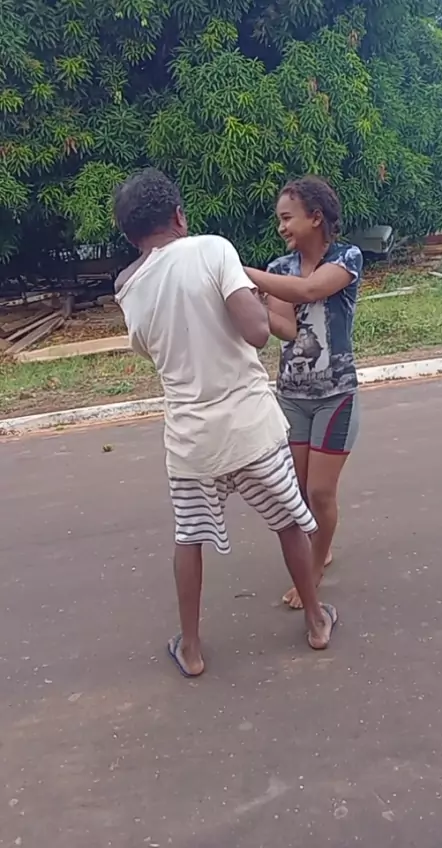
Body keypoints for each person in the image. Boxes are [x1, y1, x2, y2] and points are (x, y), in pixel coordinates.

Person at [112, 168, 338, 678]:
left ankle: (191, 649)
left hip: (191, 439)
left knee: (189, 538)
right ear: (178, 216)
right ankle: (316, 622)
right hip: (251, 426)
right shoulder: (213, 249)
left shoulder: (127, 287)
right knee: (287, 523)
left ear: (130, 235)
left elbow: (151, 350)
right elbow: (257, 332)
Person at [245, 176, 363, 610]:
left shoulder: (346, 257)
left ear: (315, 218)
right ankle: (321, 547)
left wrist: (238, 271)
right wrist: (257, 302)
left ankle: (314, 569)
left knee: (320, 492)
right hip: (292, 397)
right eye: (279, 219)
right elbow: (288, 330)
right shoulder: (279, 269)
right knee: (298, 491)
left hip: (336, 395)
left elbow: (311, 291)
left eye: (287, 218)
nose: (281, 227)